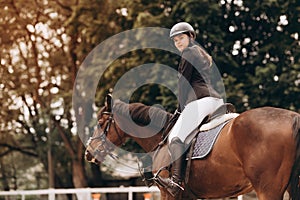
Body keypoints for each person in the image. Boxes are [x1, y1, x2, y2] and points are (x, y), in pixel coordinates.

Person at [158, 22, 224, 197]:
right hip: (215, 100)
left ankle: (176, 182)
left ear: (190, 36)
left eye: (181, 38)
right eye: (175, 40)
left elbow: (184, 84)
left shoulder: (188, 53)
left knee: (176, 137)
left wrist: (180, 109)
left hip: (200, 101)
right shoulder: (201, 53)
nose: (178, 42)